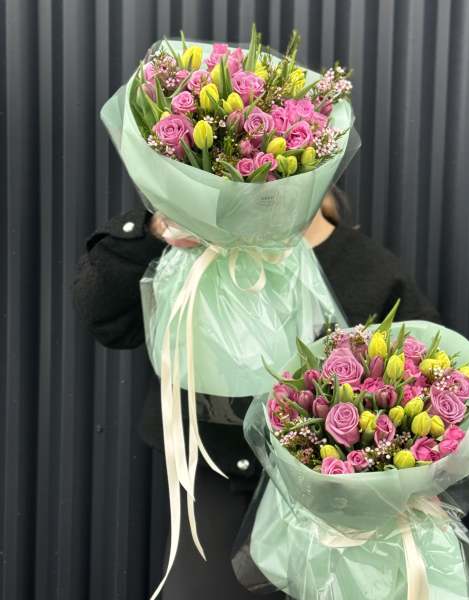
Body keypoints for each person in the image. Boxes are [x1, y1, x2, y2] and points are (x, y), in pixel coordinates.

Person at [72, 186, 441, 599]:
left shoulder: (371, 272)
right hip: (214, 490)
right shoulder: (196, 252)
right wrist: (155, 227)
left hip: (335, 521)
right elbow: (103, 315)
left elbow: (431, 398)